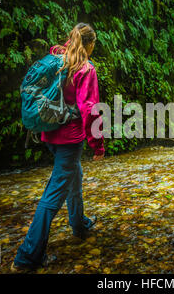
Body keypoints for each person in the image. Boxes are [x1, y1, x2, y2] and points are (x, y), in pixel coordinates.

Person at [11, 23, 104, 272]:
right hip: (70, 140)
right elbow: (89, 110)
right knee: (53, 195)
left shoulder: (57, 58)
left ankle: (79, 224)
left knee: (75, 174)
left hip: (49, 134)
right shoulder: (86, 69)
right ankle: (27, 257)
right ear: (90, 44)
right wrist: (97, 145)